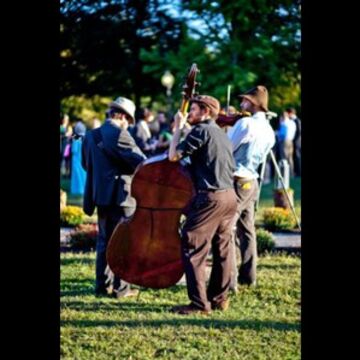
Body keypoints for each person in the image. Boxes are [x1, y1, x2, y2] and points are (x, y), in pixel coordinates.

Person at [168, 95, 238, 315]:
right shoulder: (220, 133)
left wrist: (178, 128)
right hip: (230, 197)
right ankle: (219, 298)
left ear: (206, 112)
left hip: (210, 198)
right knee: (222, 248)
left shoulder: (201, 131)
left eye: (195, 109)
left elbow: (173, 156)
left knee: (193, 245)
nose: (190, 112)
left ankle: (199, 305)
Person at [82, 96, 146, 298]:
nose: (128, 124)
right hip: (122, 197)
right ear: (122, 116)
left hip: (100, 195)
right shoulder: (121, 134)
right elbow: (141, 163)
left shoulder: (91, 135)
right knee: (124, 243)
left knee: (104, 242)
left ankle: (102, 286)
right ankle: (121, 289)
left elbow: (86, 164)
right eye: (128, 120)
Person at [227, 85, 275, 288]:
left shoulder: (245, 123)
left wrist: (225, 129)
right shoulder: (269, 130)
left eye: (245, 100)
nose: (241, 104)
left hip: (237, 179)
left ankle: (228, 281)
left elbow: (226, 149)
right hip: (252, 181)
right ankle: (249, 277)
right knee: (247, 230)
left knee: (226, 229)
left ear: (254, 104)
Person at [70, 121, 87, 196]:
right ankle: (83, 189)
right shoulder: (85, 138)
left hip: (76, 160)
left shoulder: (76, 139)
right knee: (83, 175)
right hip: (83, 160)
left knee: (77, 176)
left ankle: (76, 190)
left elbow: (74, 150)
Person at [287, 107, 301, 177]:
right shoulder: (292, 120)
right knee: (294, 157)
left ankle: (299, 172)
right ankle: (296, 172)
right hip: (294, 142)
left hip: (297, 142)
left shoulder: (297, 120)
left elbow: (299, 132)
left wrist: (294, 140)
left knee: (297, 156)